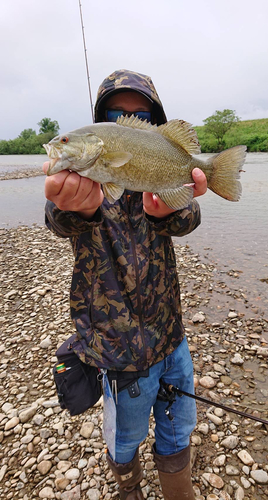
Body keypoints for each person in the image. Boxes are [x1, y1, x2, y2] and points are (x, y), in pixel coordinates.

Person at [43, 69, 207, 500]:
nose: (126, 120)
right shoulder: (84, 185)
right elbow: (58, 218)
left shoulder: (159, 177)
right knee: (125, 438)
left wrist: (169, 211)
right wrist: (74, 210)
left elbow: (189, 217)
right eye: (115, 113)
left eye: (141, 115)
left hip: (172, 338)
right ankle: (128, 487)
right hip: (116, 351)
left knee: (178, 429)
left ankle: (179, 492)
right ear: (100, 125)